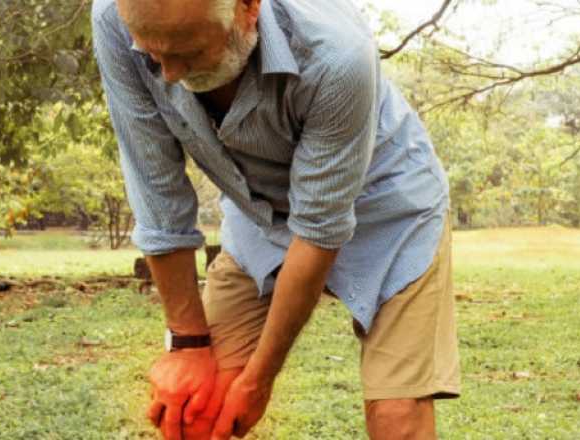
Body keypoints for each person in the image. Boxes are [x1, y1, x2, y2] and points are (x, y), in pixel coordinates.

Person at [91, 0, 460, 438]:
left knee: (397, 415)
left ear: (248, 7)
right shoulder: (114, 17)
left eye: (189, 53)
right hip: (262, 211)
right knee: (199, 412)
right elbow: (156, 192)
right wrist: (187, 345)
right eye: (153, 54)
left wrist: (260, 378)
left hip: (388, 206)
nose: (168, 75)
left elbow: (319, 229)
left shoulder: (337, 52)